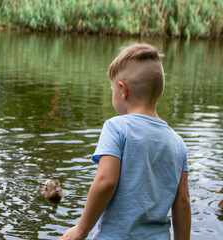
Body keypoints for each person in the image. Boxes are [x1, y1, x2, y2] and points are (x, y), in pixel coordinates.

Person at [59, 43, 191, 240]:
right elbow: (182, 202)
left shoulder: (116, 127)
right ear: (159, 95)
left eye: (112, 90)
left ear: (123, 90)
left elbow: (106, 182)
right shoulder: (178, 143)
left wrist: (82, 229)